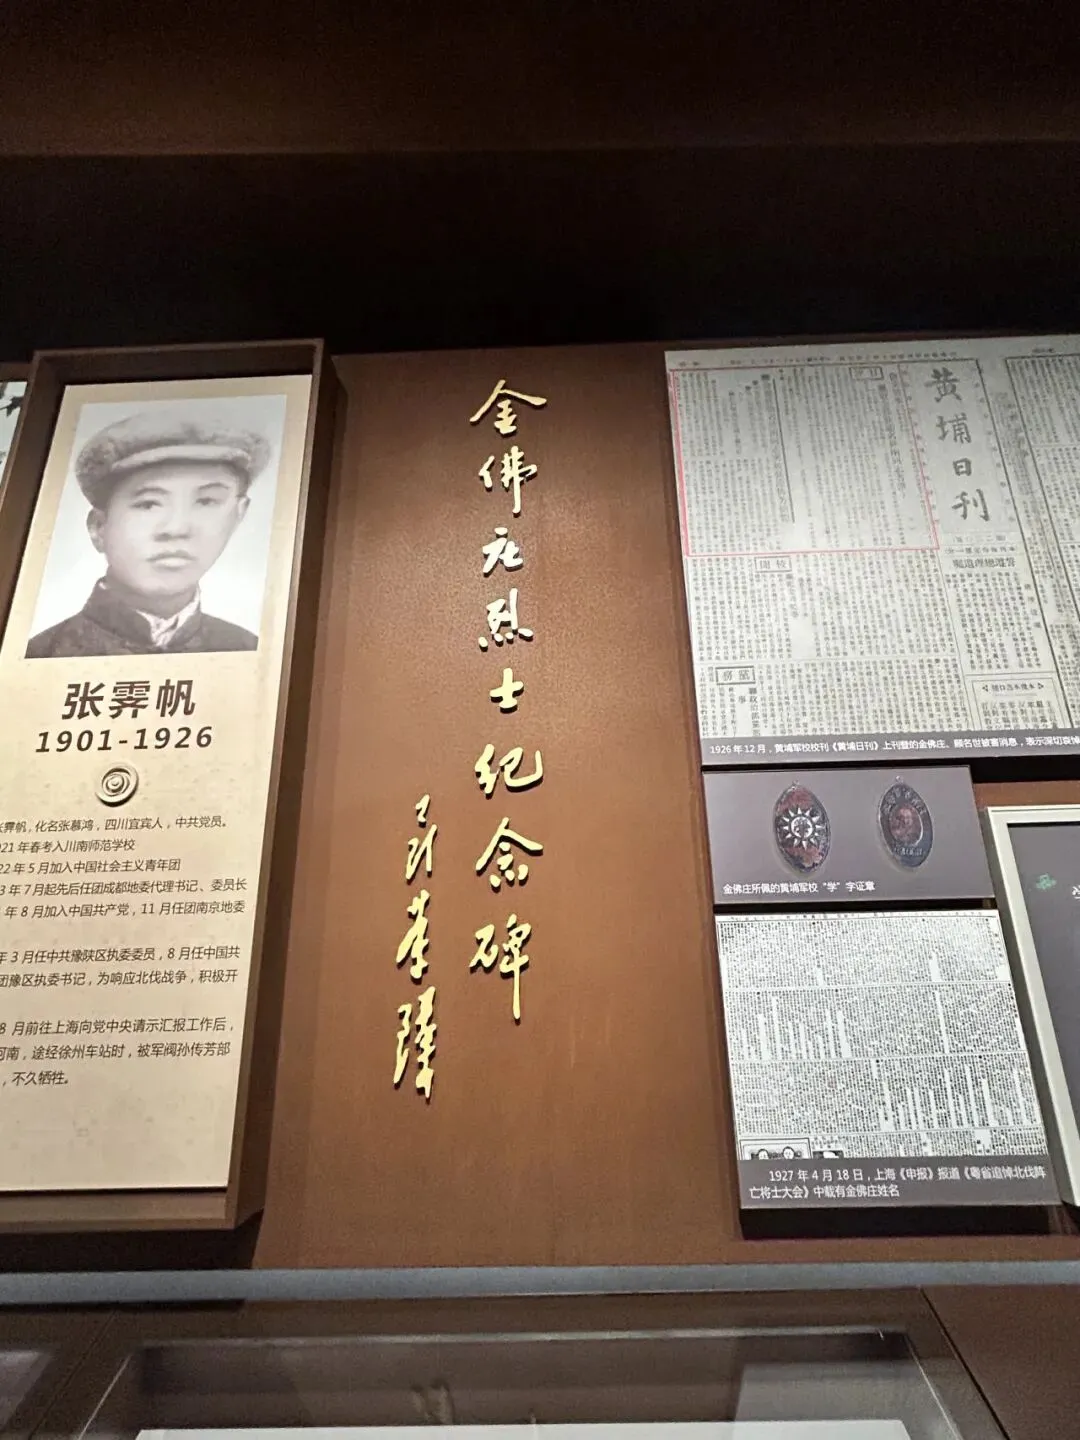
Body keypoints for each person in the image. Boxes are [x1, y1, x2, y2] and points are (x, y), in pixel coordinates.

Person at [25, 409, 270, 658]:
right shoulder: (41, 655)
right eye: (148, 504)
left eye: (206, 501)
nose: (176, 529)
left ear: (238, 515)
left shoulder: (252, 652)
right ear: (98, 527)